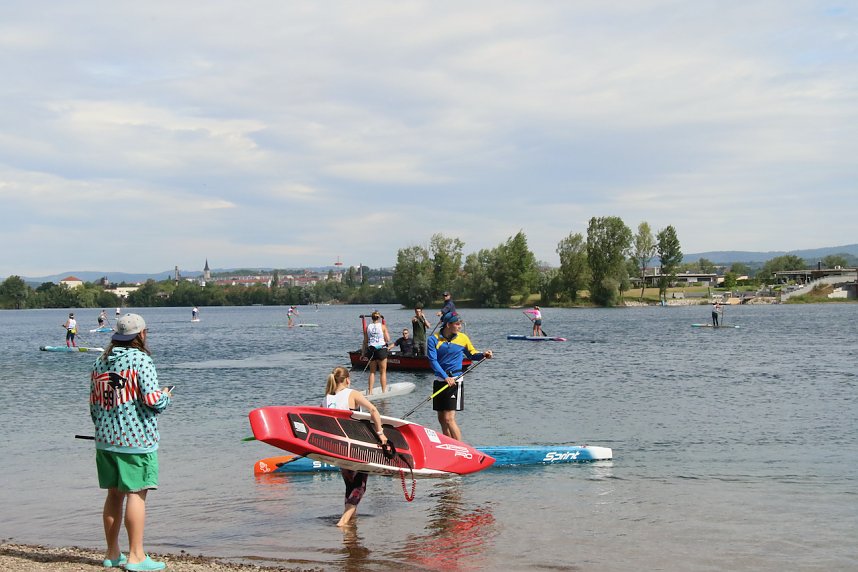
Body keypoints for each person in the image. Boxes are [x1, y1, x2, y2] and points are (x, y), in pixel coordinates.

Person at [89, 313, 172, 571]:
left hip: (105, 440)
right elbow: (152, 401)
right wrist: (166, 396)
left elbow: (94, 404)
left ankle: (112, 554)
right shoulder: (141, 360)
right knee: (137, 492)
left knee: (114, 495)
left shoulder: (100, 361)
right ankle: (136, 556)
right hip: (135, 440)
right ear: (142, 334)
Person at [322, 366, 388, 527]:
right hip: (355, 446)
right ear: (347, 379)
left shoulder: (326, 399)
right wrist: (380, 433)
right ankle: (343, 522)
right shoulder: (352, 393)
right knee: (360, 485)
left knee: (350, 484)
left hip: (337, 448)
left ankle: (351, 520)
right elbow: (373, 409)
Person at [427, 311, 493, 441]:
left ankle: (460, 449)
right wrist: (445, 377)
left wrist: (484, 354)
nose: (460, 327)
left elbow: (472, 354)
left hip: (456, 381)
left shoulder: (463, 338)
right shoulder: (433, 339)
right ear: (447, 325)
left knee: (449, 418)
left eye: (460, 324)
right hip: (441, 380)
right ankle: (449, 445)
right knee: (441, 418)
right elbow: (433, 361)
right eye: (457, 324)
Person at [363, 311, 391, 394]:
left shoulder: (368, 327)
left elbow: (366, 340)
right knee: (383, 372)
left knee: (372, 372)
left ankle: (370, 391)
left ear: (372, 318)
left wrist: (363, 352)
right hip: (381, 350)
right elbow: (388, 339)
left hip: (371, 350)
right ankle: (383, 391)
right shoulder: (383, 326)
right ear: (379, 318)